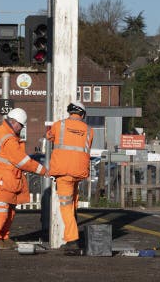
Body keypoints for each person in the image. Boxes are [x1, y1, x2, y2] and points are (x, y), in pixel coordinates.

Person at [0, 108, 48, 250]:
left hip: (2, 179)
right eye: (21, 126)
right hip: (1, 181)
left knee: (8, 210)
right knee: (1, 211)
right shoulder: (8, 139)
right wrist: (42, 170)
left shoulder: (3, 133)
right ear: (14, 122)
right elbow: (21, 161)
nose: (21, 129)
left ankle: (3, 237)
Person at [46, 101, 94, 251]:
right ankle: (70, 236)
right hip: (79, 172)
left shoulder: (59, 125)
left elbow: (49, 136)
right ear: (82, 114)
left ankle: (73, 239)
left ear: (69, 111)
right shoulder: (89, 130)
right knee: (73, 203)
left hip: (63, 172)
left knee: (66, 206)